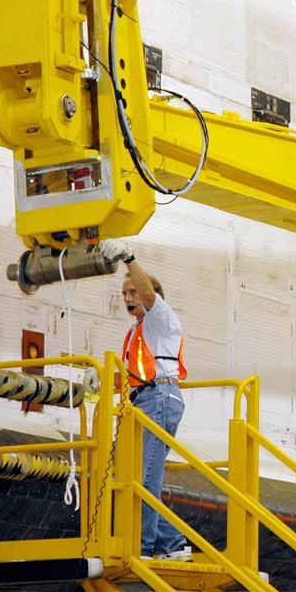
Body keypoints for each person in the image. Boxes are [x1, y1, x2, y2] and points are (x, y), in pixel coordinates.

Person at [98, 238, 191, 561]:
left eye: (132, 292)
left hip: (159, 397)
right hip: (148, 399)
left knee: (145, 478)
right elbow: (134, 376)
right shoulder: (140, 333)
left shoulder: (160, 318)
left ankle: (143, 549)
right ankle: (174, 544)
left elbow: (149, 294)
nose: (128, 298)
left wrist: (130, 259)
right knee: (143, 478)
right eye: (124, 294)